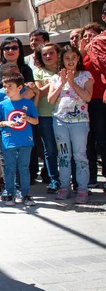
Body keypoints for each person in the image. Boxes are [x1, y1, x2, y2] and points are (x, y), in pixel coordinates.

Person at [0, 38, 37, 197]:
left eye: (14, 47)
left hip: (18, 119)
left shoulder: (26, 69)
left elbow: (30, 92)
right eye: (6, 47)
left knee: (18, 156)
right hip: (0, 118)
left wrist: (15, 108)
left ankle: (18, 187)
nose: (10, 50)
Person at [48, 45, 93, 204]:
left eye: (74, 57)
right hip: (60, 122)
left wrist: (72, 82)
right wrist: (61, 83)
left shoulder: (85, 76)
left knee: (80, 155)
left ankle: (82, 189)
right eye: (67, 58)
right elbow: (51, 100)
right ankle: (64, 187)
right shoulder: (55, 78)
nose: (70, 61)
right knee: (64, 156)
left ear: (78, 59)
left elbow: (87, 97)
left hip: (79, 122)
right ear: (62, 60)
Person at [0, 73, 39, 206]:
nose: (6, 89)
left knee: (24, 168)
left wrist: (28, 119)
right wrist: (6, 123)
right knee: (9, 168)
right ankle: (9, 193)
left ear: (20, 87)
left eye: (10, 86)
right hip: (9, 141)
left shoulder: (28, 104)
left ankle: (25, 194)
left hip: (26, 140)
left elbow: (36, 121)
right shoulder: (2, 104)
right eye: (4, 86)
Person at [80, 23, 106, 189]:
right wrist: (82, 52)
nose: (88, 39)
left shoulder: (100, 50)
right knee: (87, 141)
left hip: (100, 100)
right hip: (84, 102)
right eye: (85, 36)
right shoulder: (82, 55)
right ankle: (90, 176)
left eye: (91, 35)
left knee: (103, 140)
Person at [33, 44, 61, 194]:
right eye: (45, 54)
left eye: (51, 53)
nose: (48, 56)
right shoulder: (38, 72)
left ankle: (74, 181)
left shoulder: (67, 70)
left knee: (66, 149)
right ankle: (54, 180)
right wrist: (55, 82)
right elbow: (39, 93)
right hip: (45, 115)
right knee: (50, 149)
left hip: (66, 115)